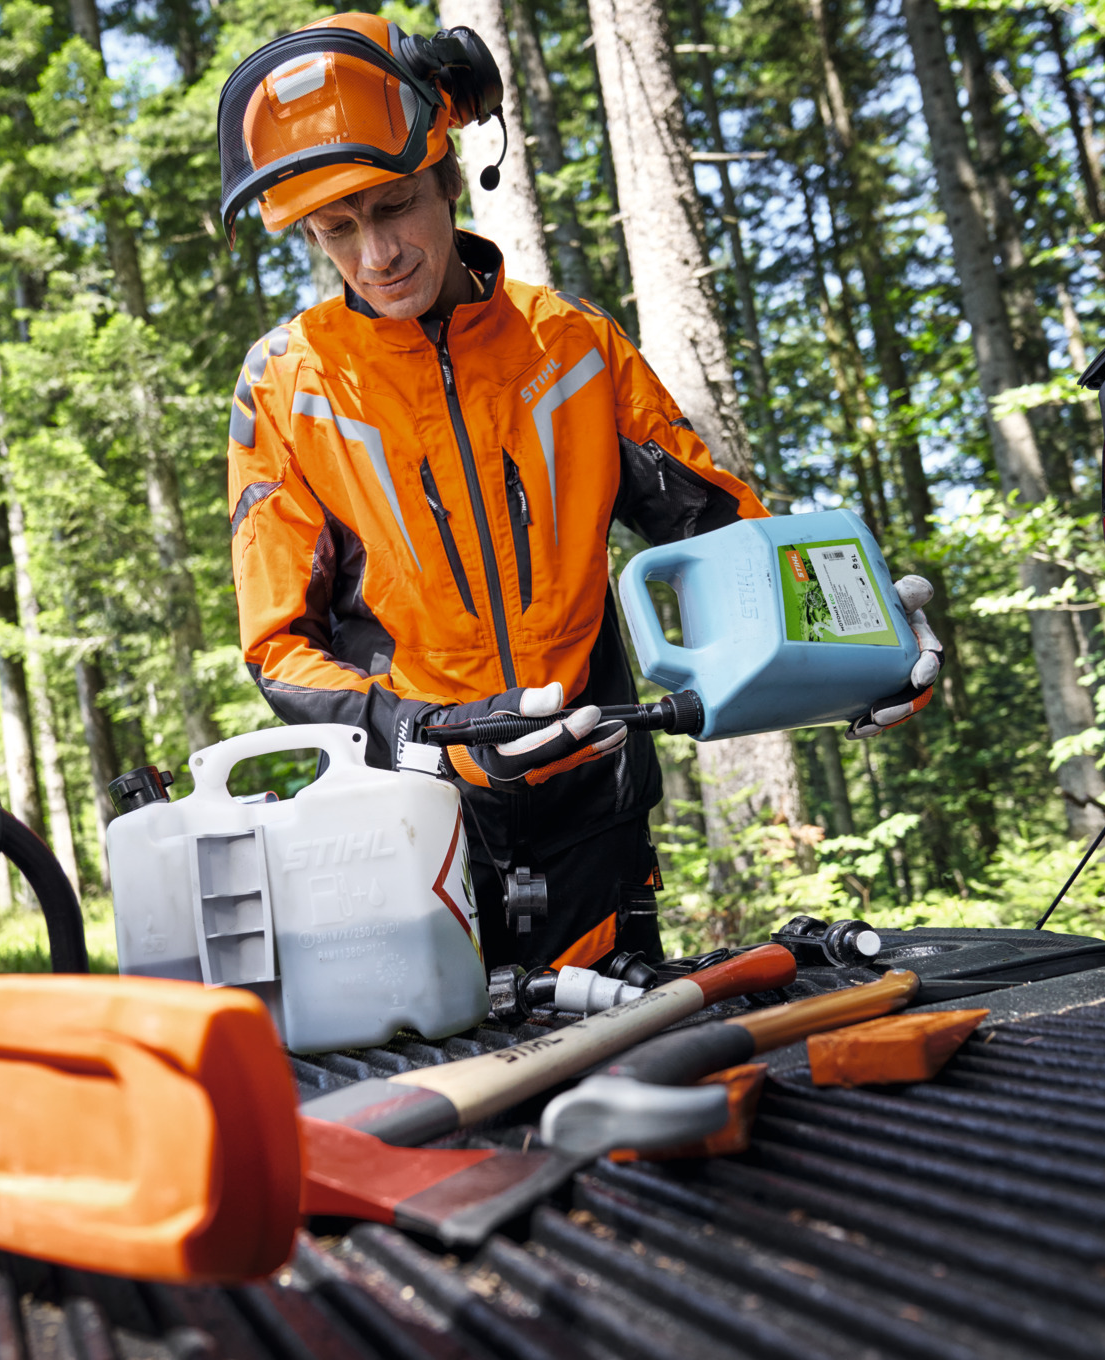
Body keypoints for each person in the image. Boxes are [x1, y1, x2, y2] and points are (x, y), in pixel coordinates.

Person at [217, 14, 939, 971]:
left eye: (393, 209)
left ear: (446, 179)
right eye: (336, 231)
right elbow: (278, 646)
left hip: (597, 811)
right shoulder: (284, 386)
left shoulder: (573, 349)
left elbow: (725, 537)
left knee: (626, 1085)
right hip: (408, 832)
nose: (375, 256)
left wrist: (867, 650)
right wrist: (423, 735)